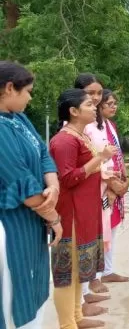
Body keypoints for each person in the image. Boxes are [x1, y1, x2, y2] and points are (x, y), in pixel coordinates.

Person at [0, 62, 61, 329]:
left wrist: (53, 185)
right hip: (11, 226)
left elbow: (43, 152)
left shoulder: (18, 118)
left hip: (32, 221)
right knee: (16, 293)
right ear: (9, 88)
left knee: (35, 285)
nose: (30, 98)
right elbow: (20, 182)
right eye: (28, 91)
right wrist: (54, 218)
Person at [50, 88, 117, 329]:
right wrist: (100, 158)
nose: (94, 107)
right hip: (71, 214)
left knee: (78, 271)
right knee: (68, 274)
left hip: (85, 211)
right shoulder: (64, 140)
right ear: (74, 111)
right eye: (89, 104)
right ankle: (67, 324)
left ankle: (77, 316)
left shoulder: (79, 136)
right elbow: (68, 178)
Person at [72, 74, 111, 315]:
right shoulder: (69, 135)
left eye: (99, 93)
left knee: (92, 239)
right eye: (90, 95)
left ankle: (85, 292)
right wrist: (104, 169)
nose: (96, 99)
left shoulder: (89, 127)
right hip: (83, 194)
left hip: (96, 189)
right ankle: (78, 305)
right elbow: (72, 173)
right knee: (79, 245)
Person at [95, 90, 129, 283]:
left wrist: (124, 178)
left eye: (115, 103)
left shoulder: (110, 125)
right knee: (102, 227)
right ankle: (97, 274)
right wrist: (111, 185)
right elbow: (98, 159)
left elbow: (118, 155)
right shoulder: (92, 128)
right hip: (103, 187)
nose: (113, 107)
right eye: (109, 104)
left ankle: (108, 270)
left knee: (113, 225)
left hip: (116, 184)